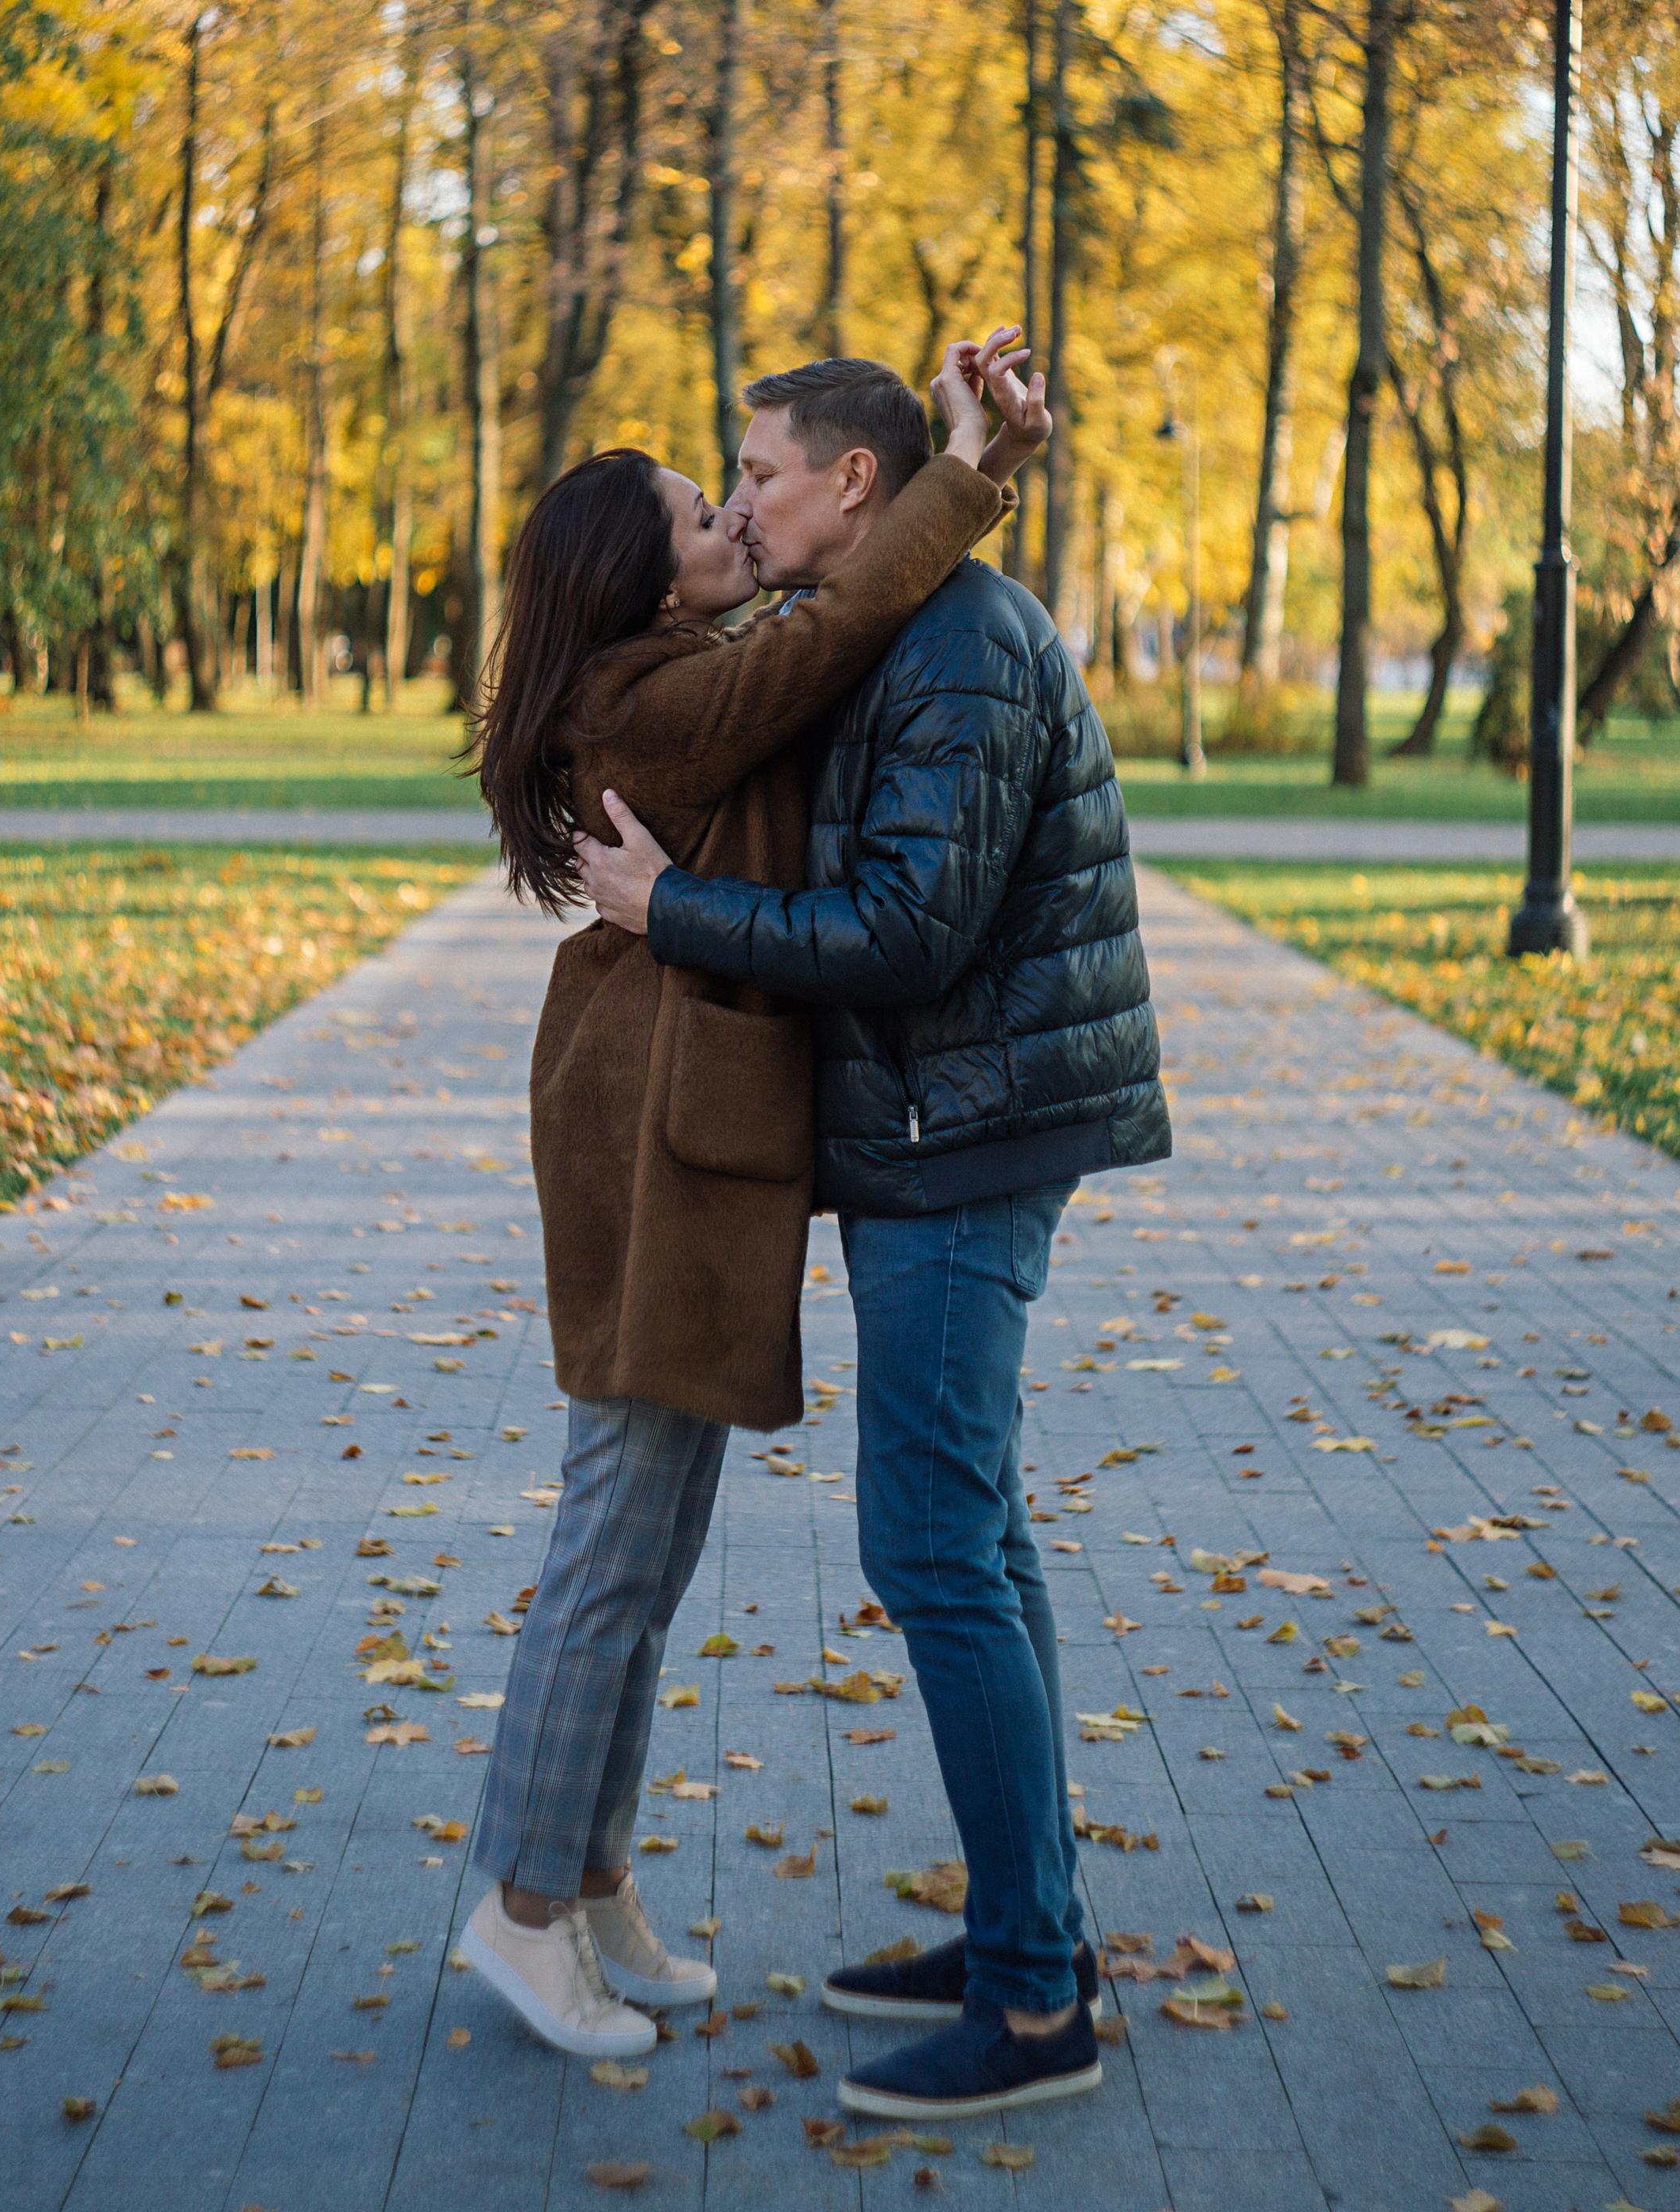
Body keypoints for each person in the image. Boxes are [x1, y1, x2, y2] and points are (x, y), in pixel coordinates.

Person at [576, 354, 1171, 2124]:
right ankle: (1029, 1940)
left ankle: (1033, 2009)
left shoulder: (962, 645)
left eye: (757, 470)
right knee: (980, 1534)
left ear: (852, 481)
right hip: (939, 1129)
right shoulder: (894, 624)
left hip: (967, 1139)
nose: (737, 500)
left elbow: (911, 933)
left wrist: (673, 909)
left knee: (931, 1545)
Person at [457, 334, 1049, 2063]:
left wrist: (967, 473)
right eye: (697, 509)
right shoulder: (652, 700)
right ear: (642, 577)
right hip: (644, 1136)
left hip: (677, 1129)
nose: (729, 515)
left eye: (734, 486)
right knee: (610, 1552)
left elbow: (829, 629)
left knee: (648, 1553)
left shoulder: (682, 669)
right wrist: (970, 471)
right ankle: (521, 1909)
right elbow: (840, 628)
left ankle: (589, 1882)